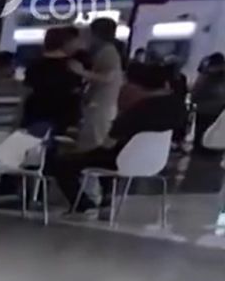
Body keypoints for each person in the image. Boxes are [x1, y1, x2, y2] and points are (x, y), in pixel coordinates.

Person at [50, 62, 184, 213]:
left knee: (63, 163)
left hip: (124, 159)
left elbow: (109, 143)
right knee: (106, 158)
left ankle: (83, 205)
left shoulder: (139, 109)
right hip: (156, 161)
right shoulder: (177, 108)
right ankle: (107, 198)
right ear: (166, 85)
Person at [21, 27, 83, 139]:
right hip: (64, 115)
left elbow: (27, 90)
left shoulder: (34, 65)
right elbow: (76, 90)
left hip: (36, 112)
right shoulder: (73, 66)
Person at [74, 17, 126, 145]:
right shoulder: (107, 50)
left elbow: (108, 77)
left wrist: (81, 72)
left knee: (95, 140)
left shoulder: (108, 51)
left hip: (102, 104)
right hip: (101, 103)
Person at [194, 53, 225, 155]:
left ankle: (205, 150)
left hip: (212, 108)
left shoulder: (208, 76)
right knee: (203, 130)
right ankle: (202, 150)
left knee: (207, 130)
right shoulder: (206, 75)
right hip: (208, 108)